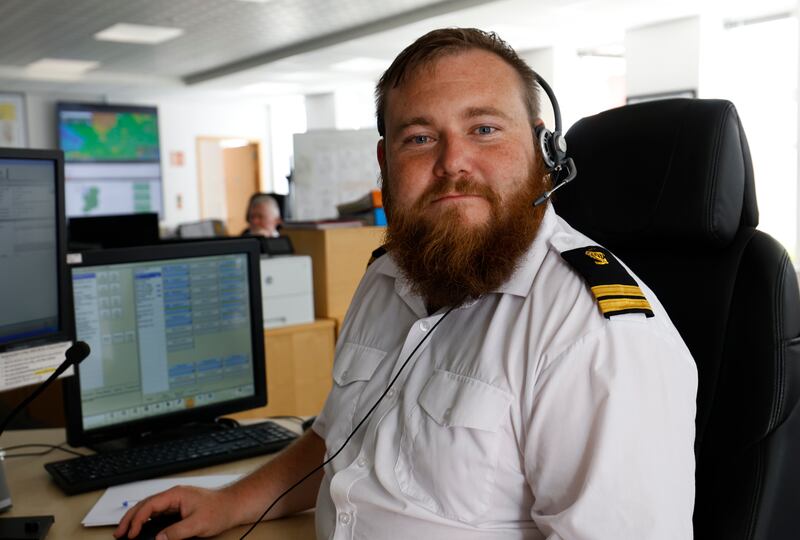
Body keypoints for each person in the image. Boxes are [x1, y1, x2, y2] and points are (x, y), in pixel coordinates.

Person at [116, 28, 697, 540]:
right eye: (419, 138)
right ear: (385, 160)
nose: (452, 162)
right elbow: (340, 439)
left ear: (545, 150)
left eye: (485, 128)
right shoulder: (389, 275)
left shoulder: (594, 334)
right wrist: (228, 503)